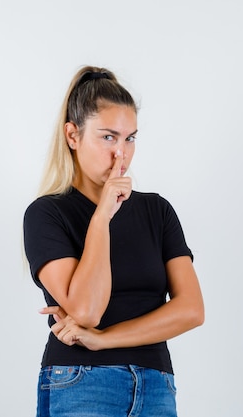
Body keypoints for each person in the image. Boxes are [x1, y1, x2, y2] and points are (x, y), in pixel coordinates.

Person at [22, 65, 205, 417]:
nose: (121, 154)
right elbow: (87, 311)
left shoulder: (157, 211)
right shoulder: (46, 215)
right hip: (82, 382)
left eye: (130, 138)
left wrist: (105, 339)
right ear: (72, 136)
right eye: (108, 137)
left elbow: (192, 310)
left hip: (155, 384)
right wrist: (102, 215)